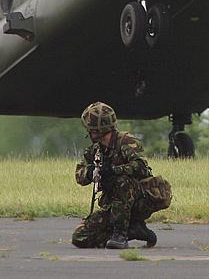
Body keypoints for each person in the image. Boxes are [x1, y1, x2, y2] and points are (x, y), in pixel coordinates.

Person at [71, 102, 167, 250]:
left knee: (122, 181)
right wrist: (91, 173)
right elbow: (80, 174)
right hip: (116, 206)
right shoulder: (96, 149)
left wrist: (113, 170)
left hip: (140, 201)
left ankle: (120, 234)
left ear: (97, 129)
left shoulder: (126, 141)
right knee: (80, 237)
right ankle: (133, 230)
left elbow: (140, 166)